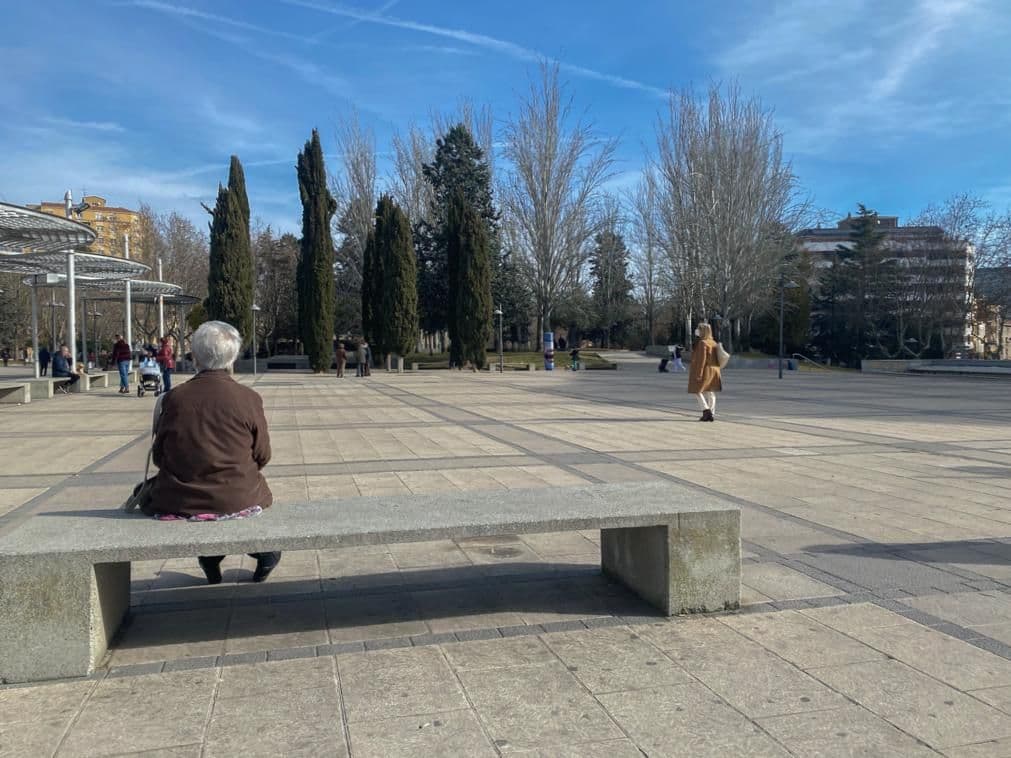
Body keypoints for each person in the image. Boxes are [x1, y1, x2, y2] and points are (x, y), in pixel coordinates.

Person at [142, 321, 281, 584]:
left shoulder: (173, 398)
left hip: (180, 500)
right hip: (240, 496)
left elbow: (160, 458)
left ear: (194, 356)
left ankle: (211, 556)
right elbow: (263, 455)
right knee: (234, 500)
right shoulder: (249, 398)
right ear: (234, 357)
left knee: (204, 505)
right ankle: (261, 553)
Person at [687, 323, 722, 422]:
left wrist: (699, 373)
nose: (696, 330)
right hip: (714, 370)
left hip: (706, 370)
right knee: (710, 391)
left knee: (697, 390)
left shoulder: (702, 343)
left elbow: (702, 360)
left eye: (699, 329)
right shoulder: (713, 342)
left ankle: (706, 410)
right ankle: (711, 413)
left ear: (703, 331)